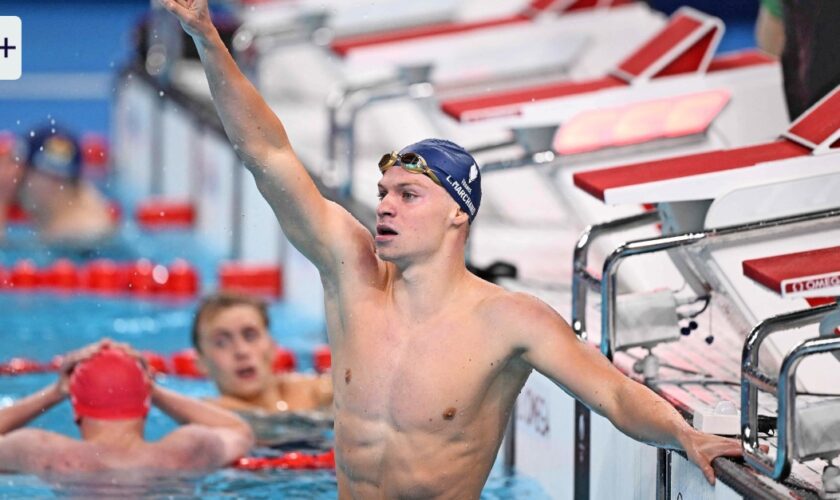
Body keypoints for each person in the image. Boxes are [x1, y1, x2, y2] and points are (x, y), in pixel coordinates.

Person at [160, 0, 744, 496]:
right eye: (384, 192)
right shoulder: (350, 272)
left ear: (457, 215)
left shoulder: (509, 321)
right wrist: (207, 38)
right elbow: (269, 155)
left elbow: (617, 394)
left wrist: (686, 435)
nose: (385, 205)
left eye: (409, 195)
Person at [0, 340, 254, 475]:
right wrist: (154, 390)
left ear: (76, 409)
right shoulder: (186, 451)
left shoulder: (43, 453)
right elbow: (239, 430)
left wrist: (53, 393)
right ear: (145, 406)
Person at [192, 291, 333, 413]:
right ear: (201, 363)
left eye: (250, 336)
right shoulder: (209, 414)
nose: (241, 351)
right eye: (221, 343)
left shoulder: (315, 391)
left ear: (273, 347)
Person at [0, 125, 116, 248]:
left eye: (22, 172)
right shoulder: (88, 206)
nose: (15, 180)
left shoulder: (74, 239)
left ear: (51, 180)